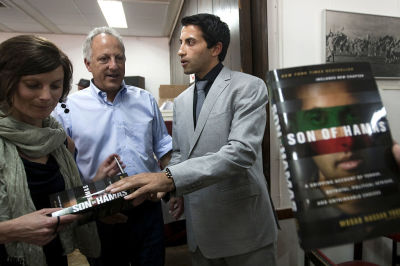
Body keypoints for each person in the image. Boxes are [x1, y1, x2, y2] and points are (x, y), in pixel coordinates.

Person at [107, 13, 278, 266]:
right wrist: (174, 190)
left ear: (215, 49)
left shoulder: (248, 87)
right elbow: (179, 152)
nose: (180, 51)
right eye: (180, 43)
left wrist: (167, 178)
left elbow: (240, 153)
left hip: (244, 228)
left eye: (190, 42)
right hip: (200, 229)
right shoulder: (183, 100)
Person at [53, 27, 172, 266]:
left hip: (147, 209)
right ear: (88, 64)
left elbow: (165, 150)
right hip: (101, 214)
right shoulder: (67, 109)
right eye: (104, 59)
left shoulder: (145, 99)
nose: (113, 65)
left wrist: (170, 184)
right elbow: (62, 172)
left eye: (119, 58)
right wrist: (89, 209)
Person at [0, 35, 122, 266]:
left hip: (55, 256)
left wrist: (94, 196)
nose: (46, 96)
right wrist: (10, 230)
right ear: (6, 82)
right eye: (33, 85)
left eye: (55, 85)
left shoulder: (61, 142)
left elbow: (59, 205)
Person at [291, 80, 400, 215]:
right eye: (318, 119)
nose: (347, 142)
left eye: (353, 114)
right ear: (297, 130)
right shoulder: (307, 212)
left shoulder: (392, 190)